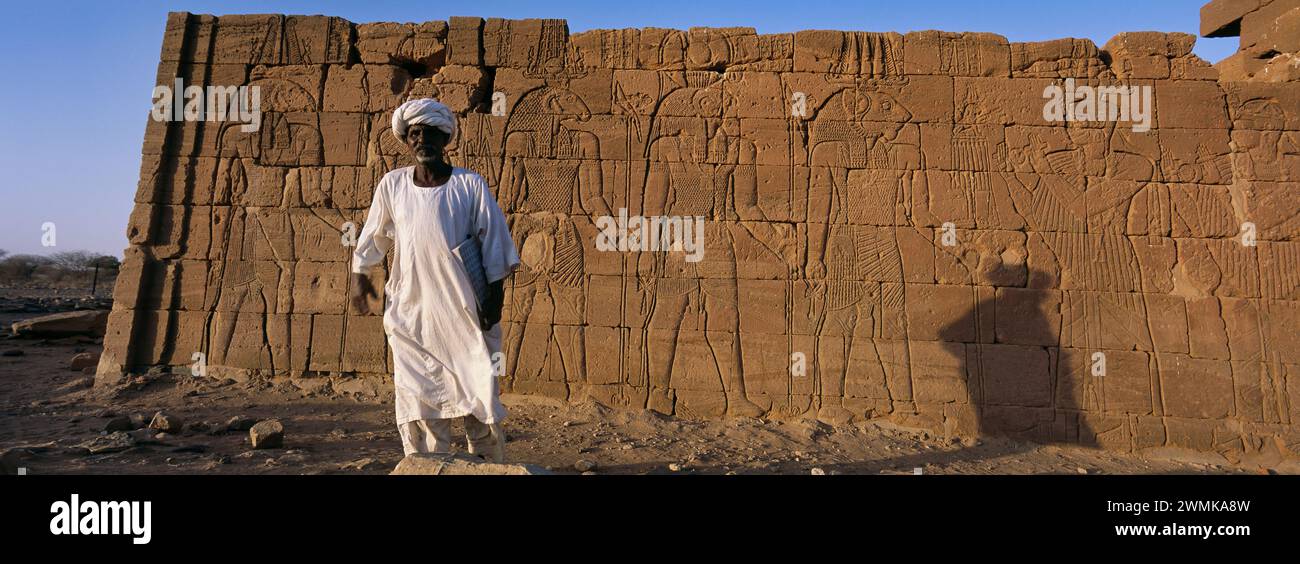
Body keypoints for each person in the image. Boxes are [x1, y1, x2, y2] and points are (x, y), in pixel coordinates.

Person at [350, 98, 520, 461]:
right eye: (414, 134)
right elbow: (372, 237)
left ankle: (486, 464)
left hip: (463, 312)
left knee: (478, 391)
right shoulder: (392, 185)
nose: (421, 140)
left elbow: (495, 244)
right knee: (418, 396)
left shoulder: (469, 185)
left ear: (445, 139)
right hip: (412, 314)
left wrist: (494, 301)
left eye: (430, 133)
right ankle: (426, 465)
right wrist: (360, 276)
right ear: (406, 140)